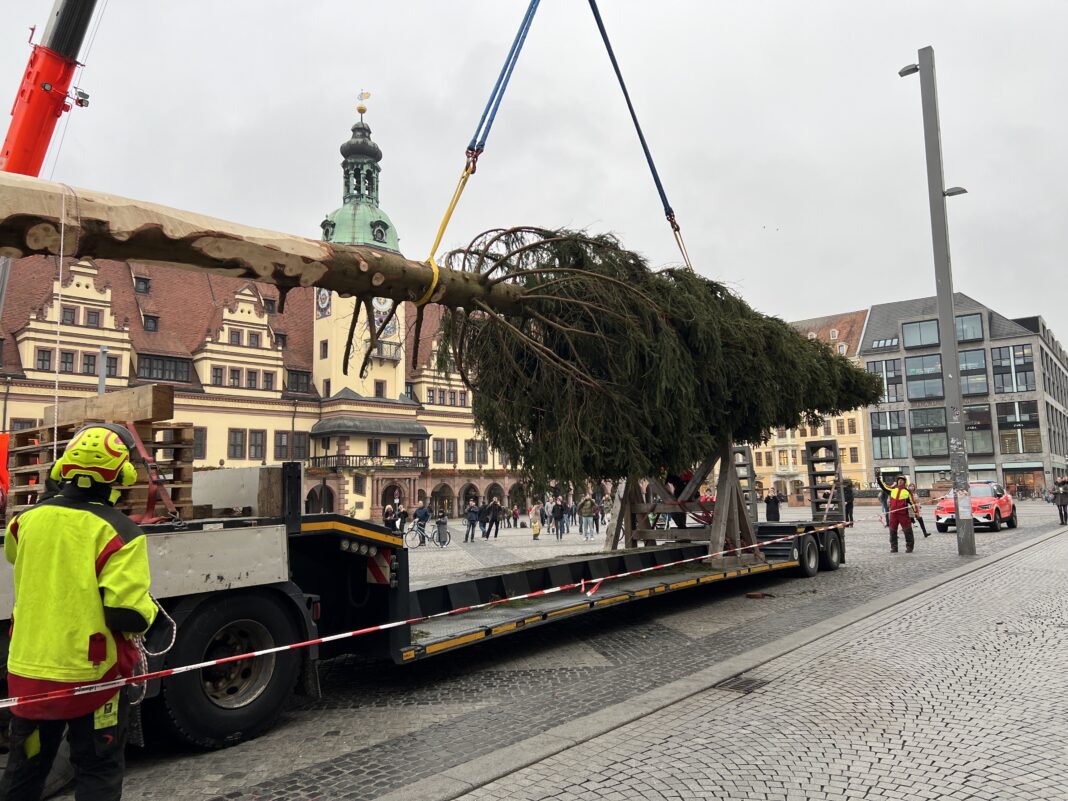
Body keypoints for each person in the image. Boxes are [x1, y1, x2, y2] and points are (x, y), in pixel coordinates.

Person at [0, 424, 157, 801]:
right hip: (94, 682)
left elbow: (18, 558)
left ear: (61, 471)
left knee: (25, 772)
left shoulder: (23, 523)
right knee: (97, 771)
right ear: (123, 477)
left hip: (30, 676)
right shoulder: (122, 533)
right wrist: (149, 607)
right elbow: (127, 615)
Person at [877, 471, 919, 553]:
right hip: (893, 514)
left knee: (907, 531)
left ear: (904, 482)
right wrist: (878, 479)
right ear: (897, 481)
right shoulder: (892, 490)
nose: (900, 481)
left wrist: (916, 513)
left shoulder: (907, 492)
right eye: (899, 480)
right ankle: (894, 547)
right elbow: (883, 486)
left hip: (903, 514)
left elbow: (913, 503)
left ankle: (909, 547)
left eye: (902, 480)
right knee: (892, 531)